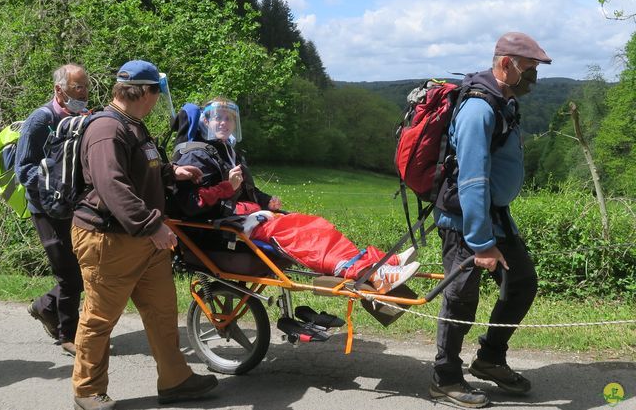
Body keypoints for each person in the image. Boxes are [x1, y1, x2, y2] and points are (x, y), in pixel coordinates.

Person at [70, 60, 217, 410]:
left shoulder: (133, 126)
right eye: (157, 94)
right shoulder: (107, 129)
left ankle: (175, 380)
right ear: (146, 94)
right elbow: (112, 185)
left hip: (143, 241)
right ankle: (87, 391)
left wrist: (171, 172)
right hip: (110, 240)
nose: (156, 102)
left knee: (162, 312)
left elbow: (140, 167)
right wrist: (154, 226)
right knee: (100, 317)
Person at [173, 98, 421, 294]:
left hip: (245, 218)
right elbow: (190, 205)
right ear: (205, 122)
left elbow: (247, 191)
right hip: (221, 229)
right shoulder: (197, 156)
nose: (224, 123)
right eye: (218, 118)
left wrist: (266, 200)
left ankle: (376, 262)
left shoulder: (228, 152)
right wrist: (228, 187)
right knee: (299, 236)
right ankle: (367, 273)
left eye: (229, 119)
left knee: (316, 225)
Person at [429, 32, 550, 408]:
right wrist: (481, 242)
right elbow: (473, 178)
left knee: (521, 282)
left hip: (495, 216)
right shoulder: (479, 108)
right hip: (464, 219)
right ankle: (445, 377)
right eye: (528, 70)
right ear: (504, 64)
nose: (533, 79)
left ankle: (490, 359)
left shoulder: (504, 101)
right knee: (462, 296)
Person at [15, 63, 89, 356]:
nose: (83, 92)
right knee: (69, 274)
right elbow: (24, 169)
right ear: (59, 90)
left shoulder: (80, 116)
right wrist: (53, 186)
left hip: (72, 206)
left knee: (79, 271)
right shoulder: (40, 119)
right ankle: (68, 336)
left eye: (85, 86)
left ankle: (44, 307)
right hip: (44, 208)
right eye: (77, 87)